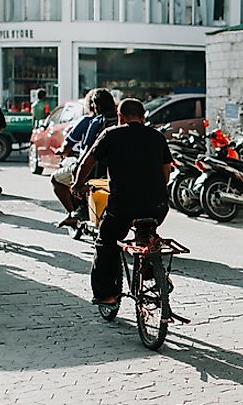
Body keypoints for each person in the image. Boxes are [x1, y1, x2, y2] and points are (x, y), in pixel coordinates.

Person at [72, 98, 172, 309]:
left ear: (120, 117)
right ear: (144, 117)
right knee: (147, 231)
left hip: (123, 206)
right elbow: (166, 173)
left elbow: (88, 161)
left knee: (106, 241)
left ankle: (106, 295)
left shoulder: (112, 134)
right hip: (157, 206)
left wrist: (78, 184)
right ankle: (152, 267)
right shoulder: (157, 136)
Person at [51, 92, 97, 227]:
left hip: (88, 167)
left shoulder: (88, 121)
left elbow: (68, 145)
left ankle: (72, 214)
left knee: (56, 179)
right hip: (111, 169)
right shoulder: (116, 124)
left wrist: (61, 151)